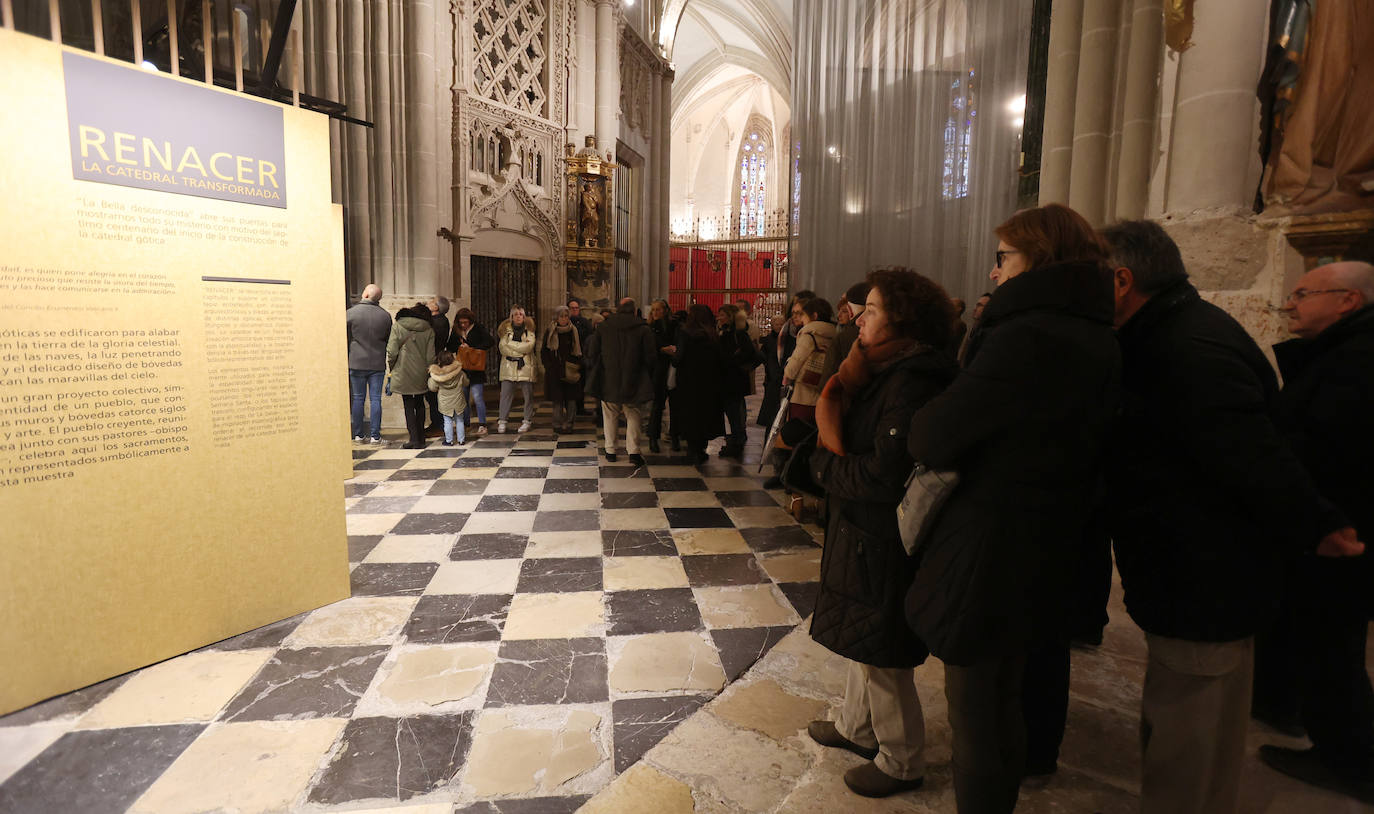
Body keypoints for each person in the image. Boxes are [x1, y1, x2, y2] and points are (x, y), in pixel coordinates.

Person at [1100, 219, 1363, 814]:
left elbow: (1255, 456)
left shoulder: (1184, 346)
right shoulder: (1171, 329)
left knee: (1190, 737)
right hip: (1193, 567)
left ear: (1121, 280)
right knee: (1186, 720)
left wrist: (1317, 522)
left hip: (1205, 573)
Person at [903, 204, 1122, 813]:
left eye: (1004, 258)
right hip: (1052, 533)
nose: (995, 274)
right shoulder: (1095, 330)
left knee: (978, 708)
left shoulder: (1026, 334)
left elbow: (935, 437)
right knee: (1011, 692)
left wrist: (927, 416)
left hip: (995, 540)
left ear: (1039, 259)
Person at [806, 268, 959, 799]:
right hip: (859, 528)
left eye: (870, 309)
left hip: (881, 530)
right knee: (862, 635)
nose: (859, 316)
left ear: (901, 320)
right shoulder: (878, 366)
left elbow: (885, 472)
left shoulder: (913, 377)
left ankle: (901, 758)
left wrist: (824, 472)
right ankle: (856, 727)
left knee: (883, 651)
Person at [1257, 260, 1374, 804]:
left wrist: (1316, 516)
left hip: (1338, 530)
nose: (1290, 302)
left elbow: (1332, 450)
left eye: (1303, 293)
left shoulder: (1357, 358)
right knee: (1325, 642)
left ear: (1346, 301)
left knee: (1332, 648)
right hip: (1331, 522)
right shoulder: (1345, 351)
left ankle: (1348, 761)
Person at [586, 298, 655, 465]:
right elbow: (650, 356)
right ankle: (633, 452)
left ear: (618, 309)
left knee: (609, 414)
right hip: (635, 378)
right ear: (634, 310)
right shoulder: (643, 329)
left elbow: (592, 352)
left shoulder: (604, 327)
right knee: (634, 415)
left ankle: (610, 450)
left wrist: (599, 368)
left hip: (609, 378)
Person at [671, 304, 728, 465]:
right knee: (705, 414)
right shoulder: (712, 334)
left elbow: (679, 358)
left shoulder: (685, 333)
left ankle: (692, 450)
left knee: (690, 415)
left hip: (689, 382)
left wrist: (672, 354)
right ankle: (701, 449)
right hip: (709, 382)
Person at [386, 302, 437, 449]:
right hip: (421, 372)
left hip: (403, 371)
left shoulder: (398, 326)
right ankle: (421, 439)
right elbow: (430, 357)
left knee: (408, 404)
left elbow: (392, 351)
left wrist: (392, 366)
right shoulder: (429, 330)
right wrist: (428, 370)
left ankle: (413, 438)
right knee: (420, 403)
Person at [346, 283, 391, 443]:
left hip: (356, 361)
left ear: (365, 295)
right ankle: (375, 436)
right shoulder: (385, 316)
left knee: (358, 398)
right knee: (375, 399)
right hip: (377, 362)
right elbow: (387, 339)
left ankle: (358, 435)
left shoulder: (350, 313)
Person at [717, 303, 763, 459]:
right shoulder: (724, 332)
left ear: (730, 317)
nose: (719, 317)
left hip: (734, 380)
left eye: (722, 314)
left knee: (735, 412)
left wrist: (732, 361)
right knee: (734, 411)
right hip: (727, 379)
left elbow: (752, 354)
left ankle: (737, 441)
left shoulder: (739, 333)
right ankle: (737, 438)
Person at [782, 298, 836, 422]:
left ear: (814, 316)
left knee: (797, 433)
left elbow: (793, 367)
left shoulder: (808, 335)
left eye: (804, 316)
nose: (802, 320)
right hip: (824, 395)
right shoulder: (834, 334)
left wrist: (787, 370)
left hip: (803, 397)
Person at [446, 308, 494, 437]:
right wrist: (459, 347)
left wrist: (472, 347)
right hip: (462, 368)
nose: (463, 325)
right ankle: (465, 424)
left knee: (478, 397)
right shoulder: (456, 331)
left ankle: (482, 425)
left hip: (476, 368)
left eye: (466, 322)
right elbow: (450, 346)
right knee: (463, 398)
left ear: (470, 321)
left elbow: (490, 342)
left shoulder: (478, 328)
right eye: (461, 322)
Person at [819, 281, 871, 389]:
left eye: (844, 311)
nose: (838, 316)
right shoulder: (885, 333)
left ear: (850, 311)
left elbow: (828, 383)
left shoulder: (843, 338)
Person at [540, 305, 584, 433]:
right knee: (557, 400)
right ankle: (557, 424)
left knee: (571, 400)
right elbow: (544, 350)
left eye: (566, 316)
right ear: (556, 318)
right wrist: (548, 366)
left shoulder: (573, 330)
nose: (564, 319)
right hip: (555, 370)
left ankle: (569, 424)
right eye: (561, 316)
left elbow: (578, 349)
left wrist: (577, 365)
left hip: (571, 369)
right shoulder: (551, 331)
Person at [496, 305, 538, 434]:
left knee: (528, 396)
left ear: (524, 317)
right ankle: (502, 421)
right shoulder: (505, 332)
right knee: (505, 396)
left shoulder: (529, 331)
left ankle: (527, 421)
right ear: (512, 317)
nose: (518, 316)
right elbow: (503, 347)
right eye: (516, 314)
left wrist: (512, 348)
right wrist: (519, 350)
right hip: (508, 369)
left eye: (521, 314)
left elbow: (528, 347)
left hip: (525, 368)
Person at [648, 299, 678, 453]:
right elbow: (648, 348)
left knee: (675, 405)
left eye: (658, 309)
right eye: (653, 310)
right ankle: (653, 438)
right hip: (658, 370)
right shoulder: (650, 328)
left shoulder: (674, 325)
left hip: (673, 367)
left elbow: (679, 342)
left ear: (666, 310)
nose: (655, 312)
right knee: (657, 406)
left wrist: (673, 349)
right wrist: (660, 349)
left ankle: (675, 437)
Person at [423, 296, 452, 438]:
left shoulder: (438, 322)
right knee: (431, 395)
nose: (428, 302)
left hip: (434, 361)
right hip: (433, 359)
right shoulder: (437, 320)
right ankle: (436, 424)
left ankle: (438, 425)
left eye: (432, 301)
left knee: (432, 395)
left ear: (436, 308)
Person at [426, 350, 469, 446]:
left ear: (439, 361)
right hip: (458, 400)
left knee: (447, 421)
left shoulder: (437, 375)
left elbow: (432, 387)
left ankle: (449, 440)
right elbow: (466, 382)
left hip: (445, 402)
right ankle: (461, 440)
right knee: (460, 420)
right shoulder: (459, 372)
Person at [757, 314, 789, 430]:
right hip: (771, 376)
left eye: (781, 324)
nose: (779, 326)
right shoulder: (769, 339)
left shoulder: (787, 339)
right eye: (777, 324)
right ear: (772, 325)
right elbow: (763, 355)